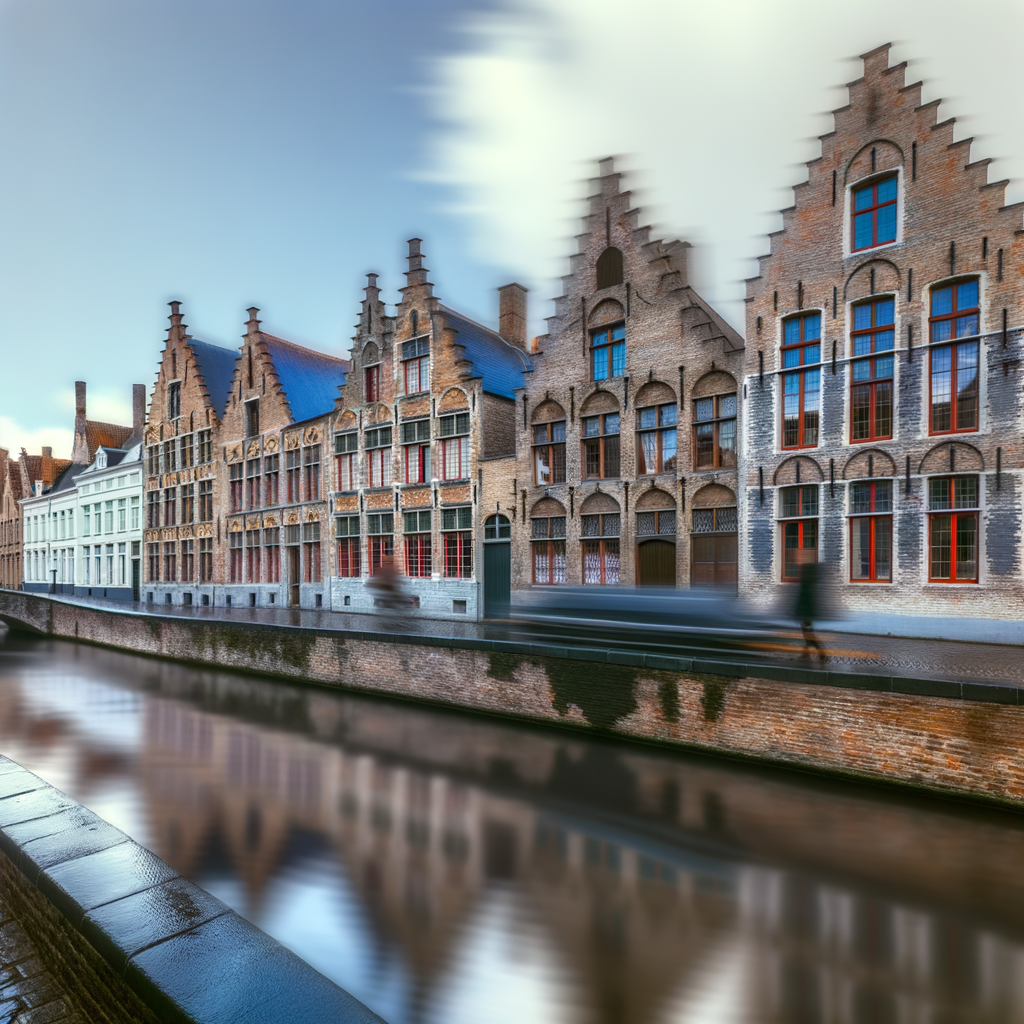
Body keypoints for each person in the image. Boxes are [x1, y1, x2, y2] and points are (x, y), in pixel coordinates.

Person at [793, 553, 826, 663]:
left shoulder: (805, 585)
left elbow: (803, 600)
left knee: (808, 634)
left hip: (805, 613)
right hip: (807, 613)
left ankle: (821, 652)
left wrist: (798, 612)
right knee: (807, 633)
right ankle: (806, 653)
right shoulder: (809, 583)